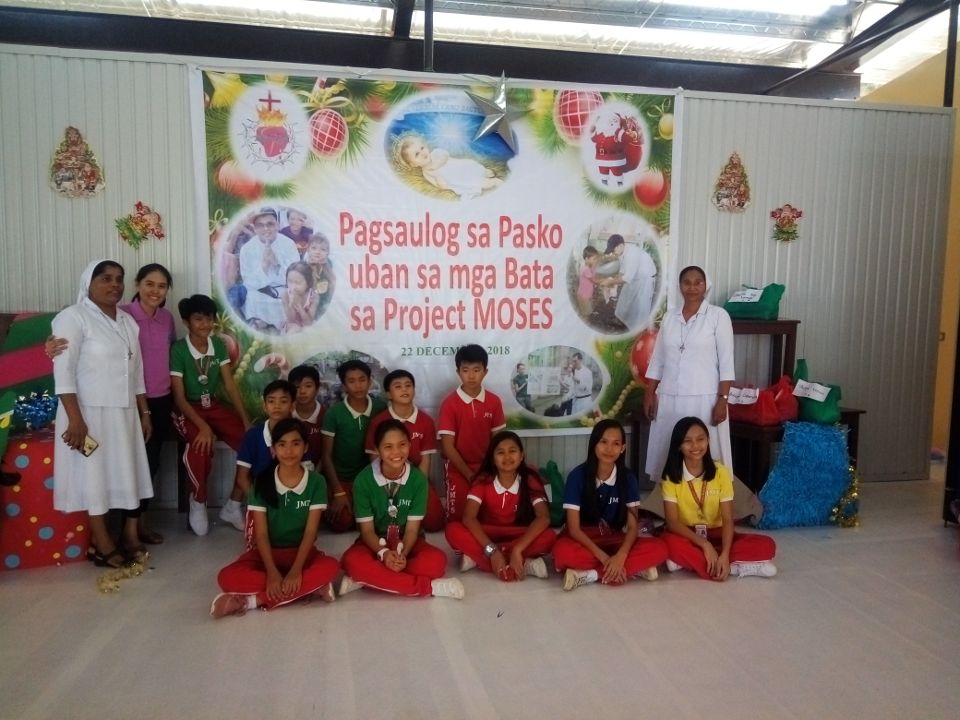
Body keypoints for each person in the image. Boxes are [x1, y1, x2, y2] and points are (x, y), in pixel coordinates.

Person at [46, 263, 175, 547]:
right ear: (88, 283)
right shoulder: (73, 317)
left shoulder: (127, 322)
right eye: (106, 279)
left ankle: (126, 535)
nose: (114, 284)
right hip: (89, 412)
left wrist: (144, 413)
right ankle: (101, 542)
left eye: (118, 279)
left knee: (126, 471)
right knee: (94, 475)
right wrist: (75, 420)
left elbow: (136, 372)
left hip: (126, 411)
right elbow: (63, 370)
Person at [210, 418, 340, 617]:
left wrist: (296, 571)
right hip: (266, 555)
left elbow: (310, 532)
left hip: (301, 554)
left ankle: (253, 601)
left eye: (296, 444)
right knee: (226, 578)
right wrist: (271, 573)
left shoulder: (316, 482)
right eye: (282, 444)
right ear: (273, 450)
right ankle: (310, 588)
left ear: (305, 447)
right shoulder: (261, 484)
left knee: (331, 567)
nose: (289, 451)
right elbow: (261, 535)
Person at [338, 419, 464, 599]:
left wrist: (401, 555)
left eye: (402, 445)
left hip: (408, 543)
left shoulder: (418, 480)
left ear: (410, 445)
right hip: (374, 544)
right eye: (388, 447)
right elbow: (366, 531)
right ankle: (428, 588)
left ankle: (366, 579)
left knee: (437, 562)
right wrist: (383, 554)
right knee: (351, 561)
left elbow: (413, 529)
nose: (396, 452)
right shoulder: (363, 481)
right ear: (378, 449)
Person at [644, 265, 734, 484]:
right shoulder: (670, 318)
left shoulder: (718, 316)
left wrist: (723, 399)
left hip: (705, 398)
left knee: (703, 451)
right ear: (679, 286)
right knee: (671, 446)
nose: (692, 287)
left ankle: (709, 500)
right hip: (670, 397)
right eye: (687, 282)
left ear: (706, 286)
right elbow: (658, 359)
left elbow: (726, 362)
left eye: (698, 282)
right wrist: (649, 393)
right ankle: (669, 501)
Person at [553, 419, 667, 591]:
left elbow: (632, 526)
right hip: (584, 539)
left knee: (659, 549)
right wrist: (605, 559)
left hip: (613, 538)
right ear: (594, 444)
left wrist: (620, 556)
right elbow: (574, 529)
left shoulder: (628, 478)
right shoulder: (577, 476)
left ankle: (590, 575)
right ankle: (633, 570)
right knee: (562, 553)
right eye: (603, 442)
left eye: (616, 444)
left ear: (623, 448)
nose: (609, 449)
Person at [170, 294, 251, 536]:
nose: (205, 324)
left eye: (209, 319)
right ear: (186, 322)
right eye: (198, 319)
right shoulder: (179, 350)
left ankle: (233, 505)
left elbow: (229, 385)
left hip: (212, 405)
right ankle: (199, 500)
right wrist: (203, 427)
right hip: (188, 409)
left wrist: (245, 419)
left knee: (252, 442)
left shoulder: (219, 345)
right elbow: (179, 398)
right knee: (201, 445)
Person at [660, 417, 777, 580]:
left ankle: (699, 562)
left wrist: (725, 554)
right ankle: (734, 567)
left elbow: (728, 519)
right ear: (679, 446)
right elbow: (672, 522)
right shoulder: (670, 476)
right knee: (667, 543)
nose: (695, 446)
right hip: (687, 534)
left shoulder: (721, 472)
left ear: (708, 440)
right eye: (687, 441)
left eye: (700, 439)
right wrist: (705, 545)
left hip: (717, 533)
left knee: (767, 545)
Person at [445, 431, 556, 581]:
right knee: (453, 530)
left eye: (512, 451)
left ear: (522, 455)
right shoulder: (483, 480)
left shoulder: (529, 479)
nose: (507, 457)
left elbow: (543, 518)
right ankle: (520, 562)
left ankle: (480, 560)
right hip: (487, 534)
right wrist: (493, 551)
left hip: (518, 534)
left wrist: (517, 549)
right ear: (493, 458)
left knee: (549, 536)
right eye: (501, 452)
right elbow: (469, 518)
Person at [364, 369, 444, 532]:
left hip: (415, 479)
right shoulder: (379, 421)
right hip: (386, 478)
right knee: (383, 524)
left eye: (408, 385)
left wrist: (416, 489)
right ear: (388, 394)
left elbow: (425, 461)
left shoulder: (426, 421)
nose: (404, 389)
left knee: (435, 522)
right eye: (398, 386)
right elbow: (374, 460)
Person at [437, 344, 506, 522]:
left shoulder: (494, 401)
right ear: (458, 371)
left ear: (485, 371)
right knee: (457, 519)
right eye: (466, 370)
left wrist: (492, 469)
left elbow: (500, 441)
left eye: (477, 369)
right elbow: (447, 446)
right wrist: (468, 474)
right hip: (457, 468)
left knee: (493, 515)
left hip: (487, 467)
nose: (471, 375)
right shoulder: (450, 403)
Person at [320, 359, 387, 533]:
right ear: (343, 385)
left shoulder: (381, 408)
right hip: (342, 479)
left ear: (370, 381)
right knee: (341, 522)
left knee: (381, 520)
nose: (358, 385)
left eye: (362, 379)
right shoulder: (334, 413)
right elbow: (326, 455)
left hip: (370, 478)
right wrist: (338, 492)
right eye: (351, 381)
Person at [219, 380, 295, 532]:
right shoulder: (253, 436)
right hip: (261, 497)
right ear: (264, 406)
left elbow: (305, 473)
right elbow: (242, 478)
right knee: (264, 533)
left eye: (283, 401)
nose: (277, 406)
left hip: (290, 495)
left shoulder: (298, 433)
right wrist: (259, 506)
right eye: (271, 401)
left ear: (292, 406)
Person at [238, 207, 301, 331]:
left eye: (270, 224)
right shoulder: (247, 249)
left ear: (277, 225)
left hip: (283, 291)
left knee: (288, 298)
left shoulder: (289, 244)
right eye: (260, 225)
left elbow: (296, 277)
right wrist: (264, 266)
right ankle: (260, 323)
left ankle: (281, 325)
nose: (265, 229)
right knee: (252, 297)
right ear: (255, 228)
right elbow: (248, 283)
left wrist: (276, 263)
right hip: (259, 293)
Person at [396, 133, 502, 200]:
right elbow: (442, 186)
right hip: (458, 179)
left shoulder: (435, 153)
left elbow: (445, 155)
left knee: (475, 168)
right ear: (414, 164)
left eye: (422, 148)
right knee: (478, 182)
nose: (422, 153)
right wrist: (438, 177)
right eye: (417, 154)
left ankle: (484, 170)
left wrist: (437, 165)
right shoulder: (427, 173)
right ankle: (495, 182)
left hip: (462, 167)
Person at [605, 233, 657, 330]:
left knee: (640, 307)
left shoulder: (632, 254)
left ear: (620, 245)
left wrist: (611, 282)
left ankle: (636, 329)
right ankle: (621, 320)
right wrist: (612, 279)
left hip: (645, 281)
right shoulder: (622, 252)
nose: (613, 253)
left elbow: (627, 278)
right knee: (625, 298)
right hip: (635, 278)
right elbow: (622, 272)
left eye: (613, 250)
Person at [289, 364, 325, 467]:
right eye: (297, 387)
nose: (302, 391)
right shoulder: (285, 415)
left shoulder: (327, 415)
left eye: (308, 386)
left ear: (317, 388)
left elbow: (327, 453)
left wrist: (316, 477)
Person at [280, 261, 318, 334]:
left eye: (298, 282)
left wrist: (299, 307)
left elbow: (308, 323)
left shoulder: (314, 297)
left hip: (307, 325)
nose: (293, 287)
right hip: (291, 326)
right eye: (290, 281)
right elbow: (291, 320)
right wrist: (291, 303)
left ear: (308, 283)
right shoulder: (285, 295)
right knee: (295, 329)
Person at [304, 232, 335, 315]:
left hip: (324, 300)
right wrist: (313, 267)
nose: (318, 252)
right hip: (309, 302)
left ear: (327, 253)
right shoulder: (304, 266)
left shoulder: (328, 263)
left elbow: (332, 283)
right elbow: (310, 289)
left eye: (323, 249)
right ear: (308, 250)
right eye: (314, 248)